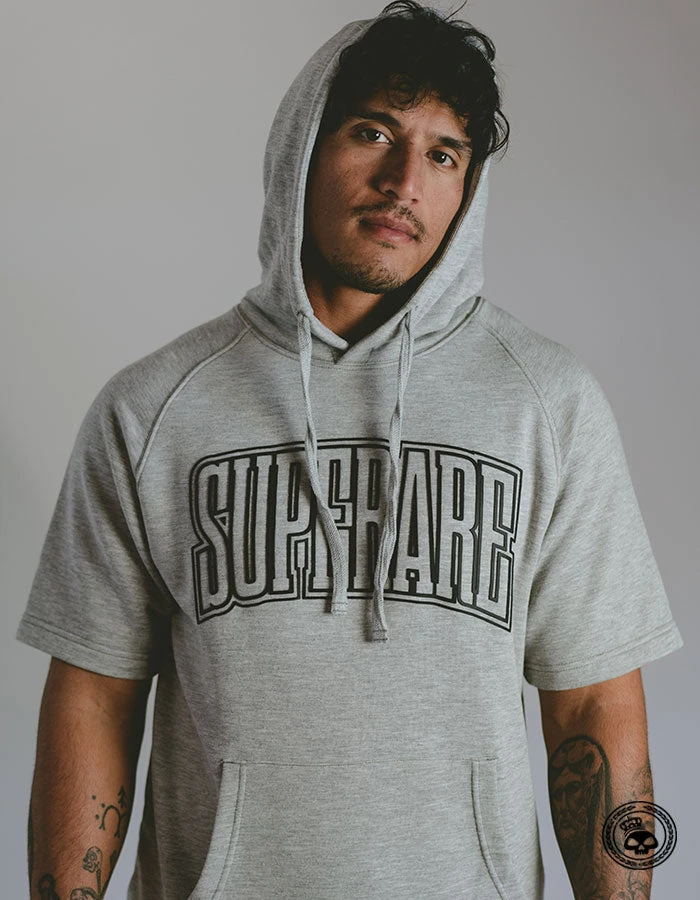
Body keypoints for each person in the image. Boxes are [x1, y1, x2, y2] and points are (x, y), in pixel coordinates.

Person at [17, 2, 683, 898]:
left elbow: (594, 703)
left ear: (469, 187)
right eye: (374, 132)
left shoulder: (548, 404)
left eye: (444, 154)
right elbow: (94, 695)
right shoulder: (152, 409)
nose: (405, 181)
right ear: (303, 146)